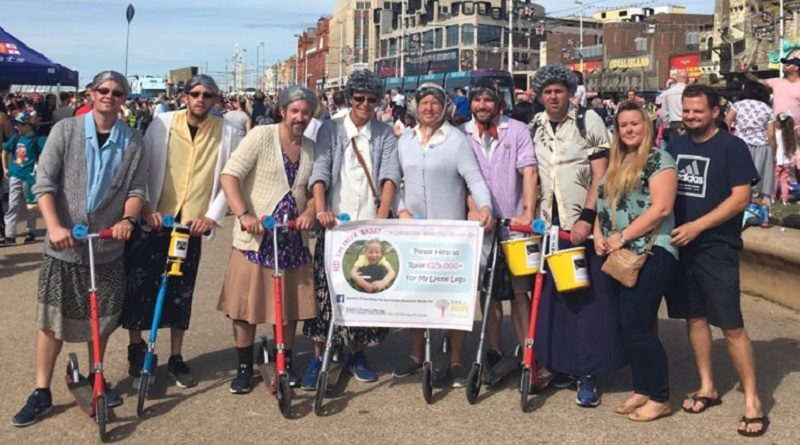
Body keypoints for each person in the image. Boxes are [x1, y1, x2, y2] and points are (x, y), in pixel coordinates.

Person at [11, 71, 148, 427]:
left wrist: (128, 221)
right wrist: (54, 226)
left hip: (105, 247)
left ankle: (96, 376)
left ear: (124, 100)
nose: (109, 96)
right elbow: (44, 183)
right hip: (64, 246)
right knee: (52, 320)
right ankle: (41, 391)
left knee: (100, 320)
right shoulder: (66, 131)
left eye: (117, 93)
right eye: (103, 90)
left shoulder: (133, 141)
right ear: (91, 93)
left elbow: (136, 190)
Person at [122, 75, 239, 390]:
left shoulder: (228, 132)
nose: (201, 99)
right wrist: (147, 209)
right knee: (140, 284)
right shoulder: (162, 124)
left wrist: (212, 217)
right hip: (156, 218)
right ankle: (137, 349)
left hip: (191, 225)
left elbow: (230, 177)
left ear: (216, 100)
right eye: (195, 93)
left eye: (208, 95)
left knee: (180, 290)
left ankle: (175, 355)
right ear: (185, 96)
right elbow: (143, 169)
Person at [666, 84, 768, 437]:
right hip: (682, 247)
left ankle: (753, 400)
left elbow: (741, 198)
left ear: (714, 112)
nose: (691, 116)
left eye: (698, 110)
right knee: (694, 318)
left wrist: (698, 226)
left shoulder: (732, 147)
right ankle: (707, 385)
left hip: (717, 246)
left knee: (731, 324)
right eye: (687, 110)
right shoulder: (675, 146)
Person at [529, 63, 626, 407]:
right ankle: (563, 364)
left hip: (581, 225)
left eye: (559, 90)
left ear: (569, 92)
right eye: (547, 91)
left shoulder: (589, 121)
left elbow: (602, 174)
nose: (553, 96)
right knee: (558, 299)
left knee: (587, 300)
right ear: (539, 95)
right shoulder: (535, 126)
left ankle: (589, 372)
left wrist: (587, 217)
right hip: (550, 225)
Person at [301, 69, 401, 388]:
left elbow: (389, 177)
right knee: (325, 292)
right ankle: (321, 355)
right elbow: (320, 172)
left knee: (365, 290)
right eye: (359, 98)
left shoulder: (384, 133)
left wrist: (382, 219)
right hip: (336, 225)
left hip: (368, 224)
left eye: (372, 99)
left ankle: (357, 352)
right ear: (349, 98)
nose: (365, 104)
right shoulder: (331, 129)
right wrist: (321, 209)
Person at [217, 86, 319, 393]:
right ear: (283, 111)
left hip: (292, 240)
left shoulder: (312, 148)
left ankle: (284, 361)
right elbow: (230, 175)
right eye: (295, 111)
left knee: (289, 308)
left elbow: (315, 189)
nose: (300, 117)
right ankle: (244, 367)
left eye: (306, 113)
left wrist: (311, 211)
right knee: (244, 307)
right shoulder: (262, 136)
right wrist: (243, 213)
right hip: (257, 237)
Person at [393, 82, 493, 387]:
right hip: (414, 232)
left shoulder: (456, 140)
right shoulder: (405, 141)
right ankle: (415, 355)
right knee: (415, 295)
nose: (429, 108)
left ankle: (456, 360)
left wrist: (485, 206)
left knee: (452, 296)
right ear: (415, 106)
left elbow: (473, 178)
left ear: (444, 107)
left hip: (449, 231)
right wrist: (401, 211)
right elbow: (393, 182)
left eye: (435, 103)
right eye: (423, 103)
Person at [593, 100, 678, 421]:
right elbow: (604, 202)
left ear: (647, 126)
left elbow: (661, 208)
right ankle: (642, 387)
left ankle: (660, 395)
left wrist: (622, 237)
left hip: (653, 250)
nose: (629, 130)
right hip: (620, 252)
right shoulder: (618, 161)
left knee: (638, 326)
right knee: (629, 326)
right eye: (623, 125)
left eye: (634, 124)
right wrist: (600, 235)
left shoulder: (660, 160)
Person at [459, 79, 537, 373]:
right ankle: (493, 349)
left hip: (514, 223)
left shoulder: (516, 130)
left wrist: (527, 212)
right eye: (477, 100)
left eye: (488, 100)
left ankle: (529, 350)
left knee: (520, 291)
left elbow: (528, 170)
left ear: (498, 103)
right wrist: (472, 210)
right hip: (482, 225)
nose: (482, 105)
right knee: (487, 290)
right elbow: (463, 179)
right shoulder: (462, 134)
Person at [725, 81, 776, 201]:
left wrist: (727, 138)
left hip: (740, 145)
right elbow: (771, 134)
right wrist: (773, 151)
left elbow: (727, 121)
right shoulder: (767, 109)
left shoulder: (737, 105)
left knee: (740, 180)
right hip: (762, 146)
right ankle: (764, 212)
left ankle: (741, 209)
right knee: (764, 182)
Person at [2, 112, 45, 245]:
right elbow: (5, 151)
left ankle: (30, 231)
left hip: (30, 177)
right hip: (15, 175)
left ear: (27, 125)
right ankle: (10, 235)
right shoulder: (16, 139)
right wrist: (5, 168)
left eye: (19, 124)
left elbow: (47, 153)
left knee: (30, 206)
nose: (16, 127)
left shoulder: (37, 140)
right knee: (12, 205)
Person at [774, 113, 797, 205]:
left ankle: (772, 198)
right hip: (787, 161)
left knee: (775, 180)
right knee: (784, 181)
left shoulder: (777, 133)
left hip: (778, 160)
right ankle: (784, 199)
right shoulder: (791, 134)